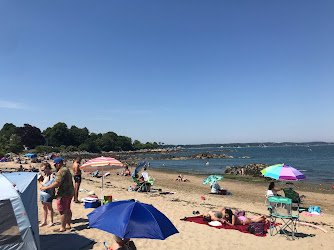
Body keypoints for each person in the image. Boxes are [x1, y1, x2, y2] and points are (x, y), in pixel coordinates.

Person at [42, 157, 75, 232]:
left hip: (63, 194)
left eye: (55, 165)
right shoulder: (66, 169)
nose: (54, 166)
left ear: (58, 164)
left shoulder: (61, 171)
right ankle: (68, 225)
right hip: (69, 192)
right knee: (67, 209)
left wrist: (46, 187)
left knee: (62, 211)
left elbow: (57, 184)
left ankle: (62, 227)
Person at [39, 163, 55, 227]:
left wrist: (43, 184)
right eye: (42, 170)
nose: (43, 171)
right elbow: (43, 183)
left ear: (48, 168)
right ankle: (44, 221)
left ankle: (51, 221)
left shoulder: (51, 175)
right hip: (42, 192)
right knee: (44, 207)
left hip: (48, 193)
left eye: (43, 170)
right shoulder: (44, 176)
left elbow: (51, 184)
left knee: (49, 207)